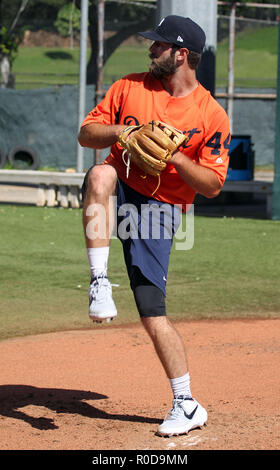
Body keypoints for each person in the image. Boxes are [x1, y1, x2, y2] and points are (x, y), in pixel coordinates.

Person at [78, 15, 231, 437]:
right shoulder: (129, 86)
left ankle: (186, 402)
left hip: (160, 209)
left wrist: (177, 158)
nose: (151, 50)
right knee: (98, 176)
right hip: (122, 178)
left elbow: (213, 185)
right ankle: (99, 281)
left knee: (151, 310)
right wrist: (123, 133)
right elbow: (87, 134)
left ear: (182, 55)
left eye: (159, 45)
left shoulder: (210, 114)